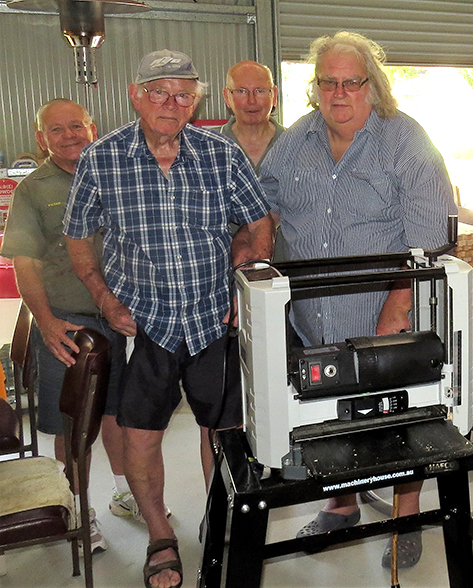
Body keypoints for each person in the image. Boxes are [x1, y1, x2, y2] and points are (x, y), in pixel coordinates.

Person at [63, 49, 273, 588]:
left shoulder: (221, 155)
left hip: (211, 318)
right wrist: (104, 299)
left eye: (182, 94)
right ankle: (160, 534)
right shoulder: (102, 158)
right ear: (136, 95)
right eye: (158, 92)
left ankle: (219, 520)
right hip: (142, 325)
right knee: (141, 436)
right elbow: (78, 238)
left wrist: (245, 275)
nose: (170, 103)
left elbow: (258, 222)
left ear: (196, 101)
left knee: (223, 432)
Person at [259, 31, 457, 569]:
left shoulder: (405, 141)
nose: (339, 93)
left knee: (402, 418)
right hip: (311, 316)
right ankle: (342, 505)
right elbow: (265, 209)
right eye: (329, 82)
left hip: (384, 314)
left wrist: (397, 308)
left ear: (373, 85)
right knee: (330, 414)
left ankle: (405, 515)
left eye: (351, 82)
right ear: (315, 87)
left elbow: (429, 240)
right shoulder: (294, 142)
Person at [0, 98, 130, 554]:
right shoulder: (32, 191)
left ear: (93, 129)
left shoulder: (117, 175)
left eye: (77, 125)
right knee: (74, 426)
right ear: (42, 139)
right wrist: (47, 322)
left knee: (118, 415)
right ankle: (77, 508)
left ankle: (125, 494)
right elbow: (25, 263)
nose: (69, 135)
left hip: (121, 321)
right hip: (68, 328)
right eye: (56, 129)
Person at [220, 60, 288, 259]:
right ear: (227, 97)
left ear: (274, 95)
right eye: (241, 91)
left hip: (286, 266)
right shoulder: (208, 151)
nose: (251, 100)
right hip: (224, 267)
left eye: (260, 91)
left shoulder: (296, 145)